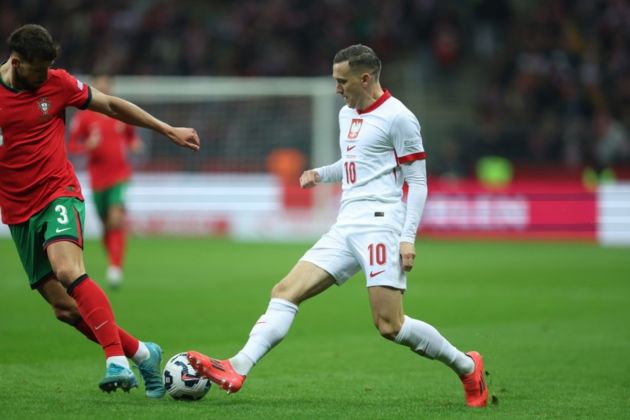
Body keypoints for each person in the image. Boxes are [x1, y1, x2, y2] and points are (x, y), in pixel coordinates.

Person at [187, 44, 489, 408]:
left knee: (389, 325)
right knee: (284, 291)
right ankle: (237, 366)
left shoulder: (399, 118)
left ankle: (467, 366)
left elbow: (418, 182)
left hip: (381, 225)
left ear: (365, 78)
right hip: (346, 224)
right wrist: (321, 173)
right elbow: (354, 164)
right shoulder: (348, 114)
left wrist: (407, 238)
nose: (336, 89)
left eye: (341, 81)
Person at [0, 24, 200, 396]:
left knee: (67, 269)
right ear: (16, 62)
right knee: (66, 310)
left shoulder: (56, 83)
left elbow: (109, 103)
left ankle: (115, 361)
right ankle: (142, 353)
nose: (45, 77)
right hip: (17, 211)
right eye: (38, 71)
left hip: (57, 192)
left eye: (48, 70)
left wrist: (166, 128)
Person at [68, 74, 143, 288]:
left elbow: (130, 135)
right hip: (98, 179)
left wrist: (133, 143)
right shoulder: (83, 118)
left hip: (120, 175)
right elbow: (72, 147)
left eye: (106, 85)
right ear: (93, 88)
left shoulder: (120, 111)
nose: (103, 88)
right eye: (99, 85)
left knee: (116, 219)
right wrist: (87, 147)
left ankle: (115, 268)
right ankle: (113, 261)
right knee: (106, 225)